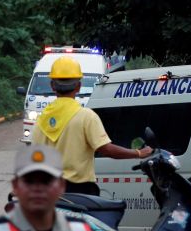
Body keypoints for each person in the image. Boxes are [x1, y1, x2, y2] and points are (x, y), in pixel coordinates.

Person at [31, 56, 152, 195]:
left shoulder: (41, 120)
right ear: (78, 86)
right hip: (79, 193)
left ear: (52, 86)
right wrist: (138, 153)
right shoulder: (86, 116)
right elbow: (106, 150)